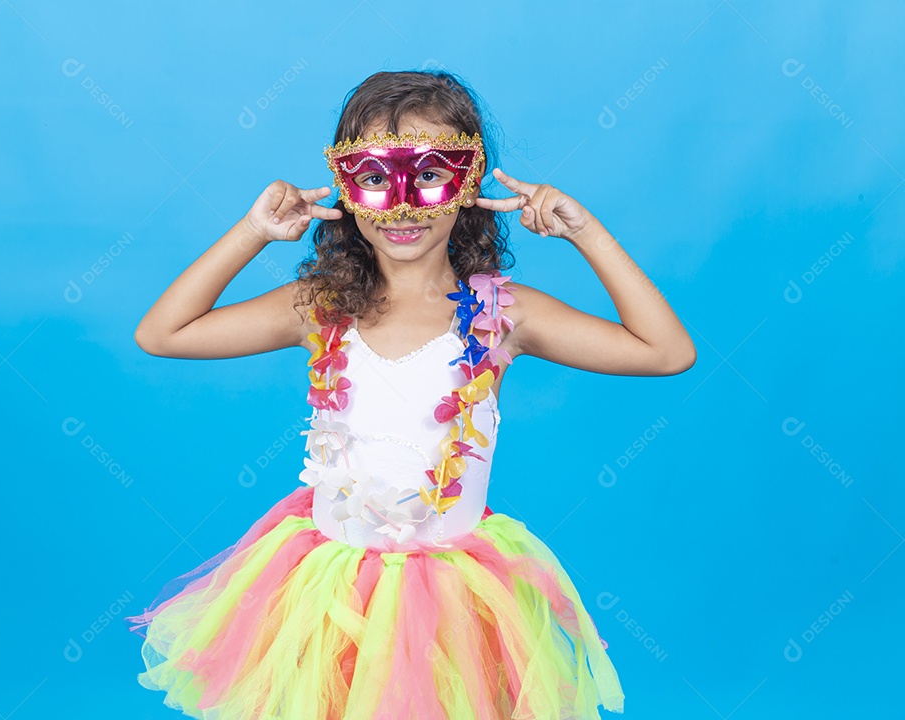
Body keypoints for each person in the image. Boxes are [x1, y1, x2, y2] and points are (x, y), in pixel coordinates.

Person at [124, 69, 695, 719]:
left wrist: (585, 231)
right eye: (374, 177)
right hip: (327, 592)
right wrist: (252, 230)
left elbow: (667, 351)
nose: (402, 207)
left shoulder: (502, 316)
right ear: (346, 187)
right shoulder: (319, 309)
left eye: (429, 174)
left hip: (452, 600)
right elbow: (163, 333)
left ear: (470, 182)